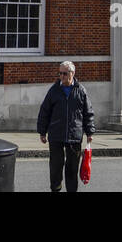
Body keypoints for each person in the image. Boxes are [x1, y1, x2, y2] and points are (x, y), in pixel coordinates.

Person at [36, 60, 95, 192]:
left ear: (72, 73)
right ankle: (56, 189)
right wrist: (42, 132)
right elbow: (44, 111)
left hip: (75, 135)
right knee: (56, 167)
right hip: (56, 134)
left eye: (64, 73)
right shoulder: (54, 90)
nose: (61, 76)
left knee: (72, 168)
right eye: (60, 73)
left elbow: (88, 112)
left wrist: (89, 132)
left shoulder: (81, 90)